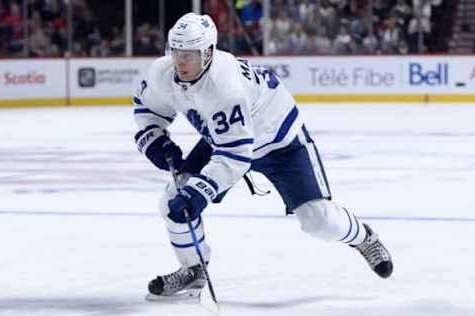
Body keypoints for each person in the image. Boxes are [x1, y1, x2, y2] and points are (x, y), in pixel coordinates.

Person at [133, 13, 393, 298]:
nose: (181, 62)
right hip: (228, 138)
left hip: (280, 142)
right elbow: (149, 109)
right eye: (176, 52)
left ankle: (363, 237)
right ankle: (194, 270)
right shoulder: (162, 73)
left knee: (318, 221)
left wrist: (198, 193)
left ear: (208, 53)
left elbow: (234, 157)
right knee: (173, 199)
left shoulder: (226, 88)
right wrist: (153, 139)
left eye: (190, 55)